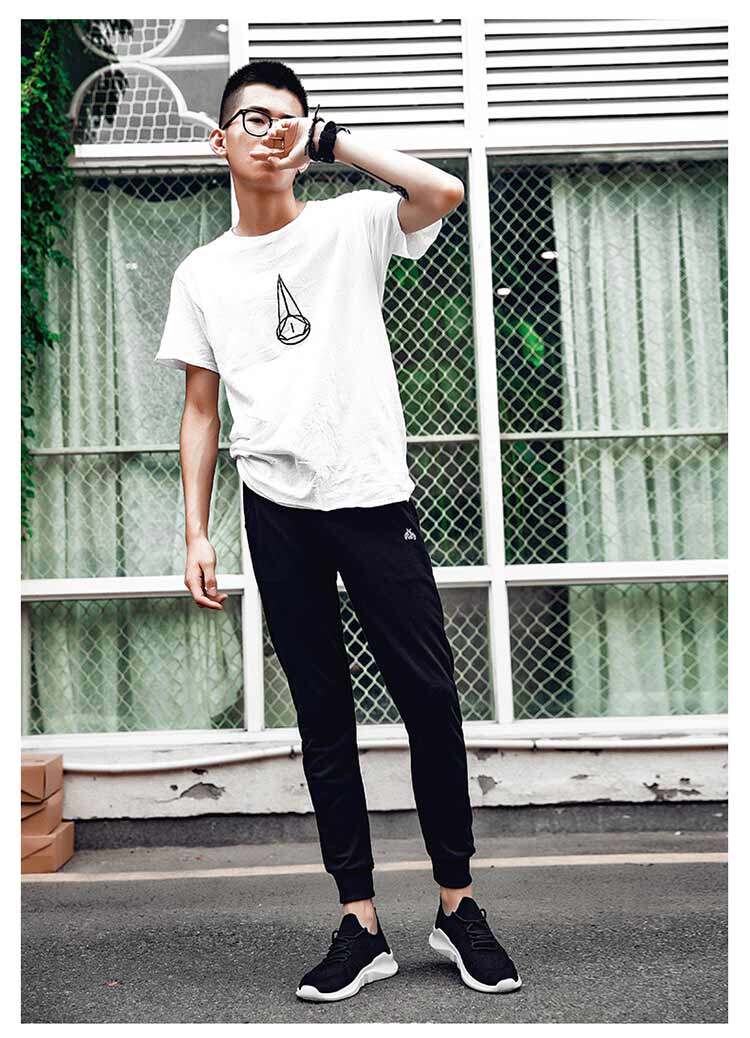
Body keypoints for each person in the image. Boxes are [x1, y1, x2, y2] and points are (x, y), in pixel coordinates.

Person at [155, 59, 521, 1003]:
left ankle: (457, 905)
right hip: (275, 508)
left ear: (305, 134)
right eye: (251, 119)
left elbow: (441, 191)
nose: (268, 132)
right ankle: (360, 924)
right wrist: (195, 531)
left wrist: (332, 140)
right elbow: (201, 409)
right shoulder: (203, 273)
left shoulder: (351, 222)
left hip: (371, 495)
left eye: (286, 119)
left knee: (429, 699)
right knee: (323, 717)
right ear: (219, 140)